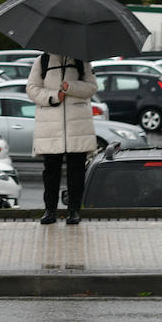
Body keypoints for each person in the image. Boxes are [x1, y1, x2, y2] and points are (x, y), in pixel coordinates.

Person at [27, 52, 98, 225]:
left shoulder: (82, 61)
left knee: (77, 172)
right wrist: (52, 96)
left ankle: (74, 211)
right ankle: (49, 211)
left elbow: (92, 87)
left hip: (78, 128)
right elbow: (32, 89)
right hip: (50, 127)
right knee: (51, 173)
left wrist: (70, 87)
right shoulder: (42, 61)